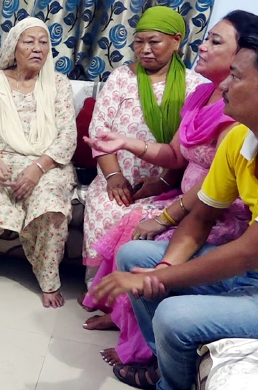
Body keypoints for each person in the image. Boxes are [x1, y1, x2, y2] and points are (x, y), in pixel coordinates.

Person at [93, 30, 258, 390]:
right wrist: (164, 270)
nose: (223, 85)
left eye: (236, 77)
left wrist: (160, 277)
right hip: (256, 273)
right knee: (134, 255)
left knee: (173, 316)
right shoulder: (240, 138)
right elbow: (200, 216)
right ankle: (166, 366)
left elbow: (248, 252)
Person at [81, 11, 258, 373]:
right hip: (188, 203)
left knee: (138, 229)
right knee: (132, 222)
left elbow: (218, 185)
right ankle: (126, 316)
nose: (203, 46)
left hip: (215, 213)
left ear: (244, 55)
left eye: (215, 41)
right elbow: (174, 154)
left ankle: (144, 343)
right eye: (207, 38)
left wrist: (167, 215)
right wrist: (125, 143)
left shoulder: (240, 107)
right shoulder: (202, 94)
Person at [0, 17, 77, 308]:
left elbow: (67, 136)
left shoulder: (58, 84)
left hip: (47, 164)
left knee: (51, 205)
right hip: (1, 160)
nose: (37, 48)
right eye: (29, 42)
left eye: (43, 42)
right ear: (14, 47)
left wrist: (37, 169)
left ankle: (48, 278)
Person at [82, 6, 206, 284]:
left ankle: (130, 291)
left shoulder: (195, 86)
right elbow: (99, 132)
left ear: (176, 41)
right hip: (116, 178)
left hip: (167, 184)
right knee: (108, 208)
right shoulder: (121, 78)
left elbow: (189, 147)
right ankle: (98, 287)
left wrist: (162, 182)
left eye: (154, 42)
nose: (145, 49)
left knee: (145, 220)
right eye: (139, 41)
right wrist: (114, 177)